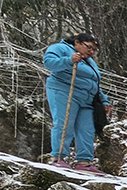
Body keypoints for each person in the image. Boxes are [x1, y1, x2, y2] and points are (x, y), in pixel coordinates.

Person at [43, 32, 110, 174]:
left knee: (87, 129)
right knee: (64, 123)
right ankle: (58, 158)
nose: (91, 52)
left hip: (87, 98)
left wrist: (103, 100)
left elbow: (94, 81)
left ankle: (84, 162)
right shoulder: (59, 48)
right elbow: (49, 63)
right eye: (89, 48)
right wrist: (68, 60)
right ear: (77, 42)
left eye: (94, 50)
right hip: (65, 91)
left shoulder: (88, 61)